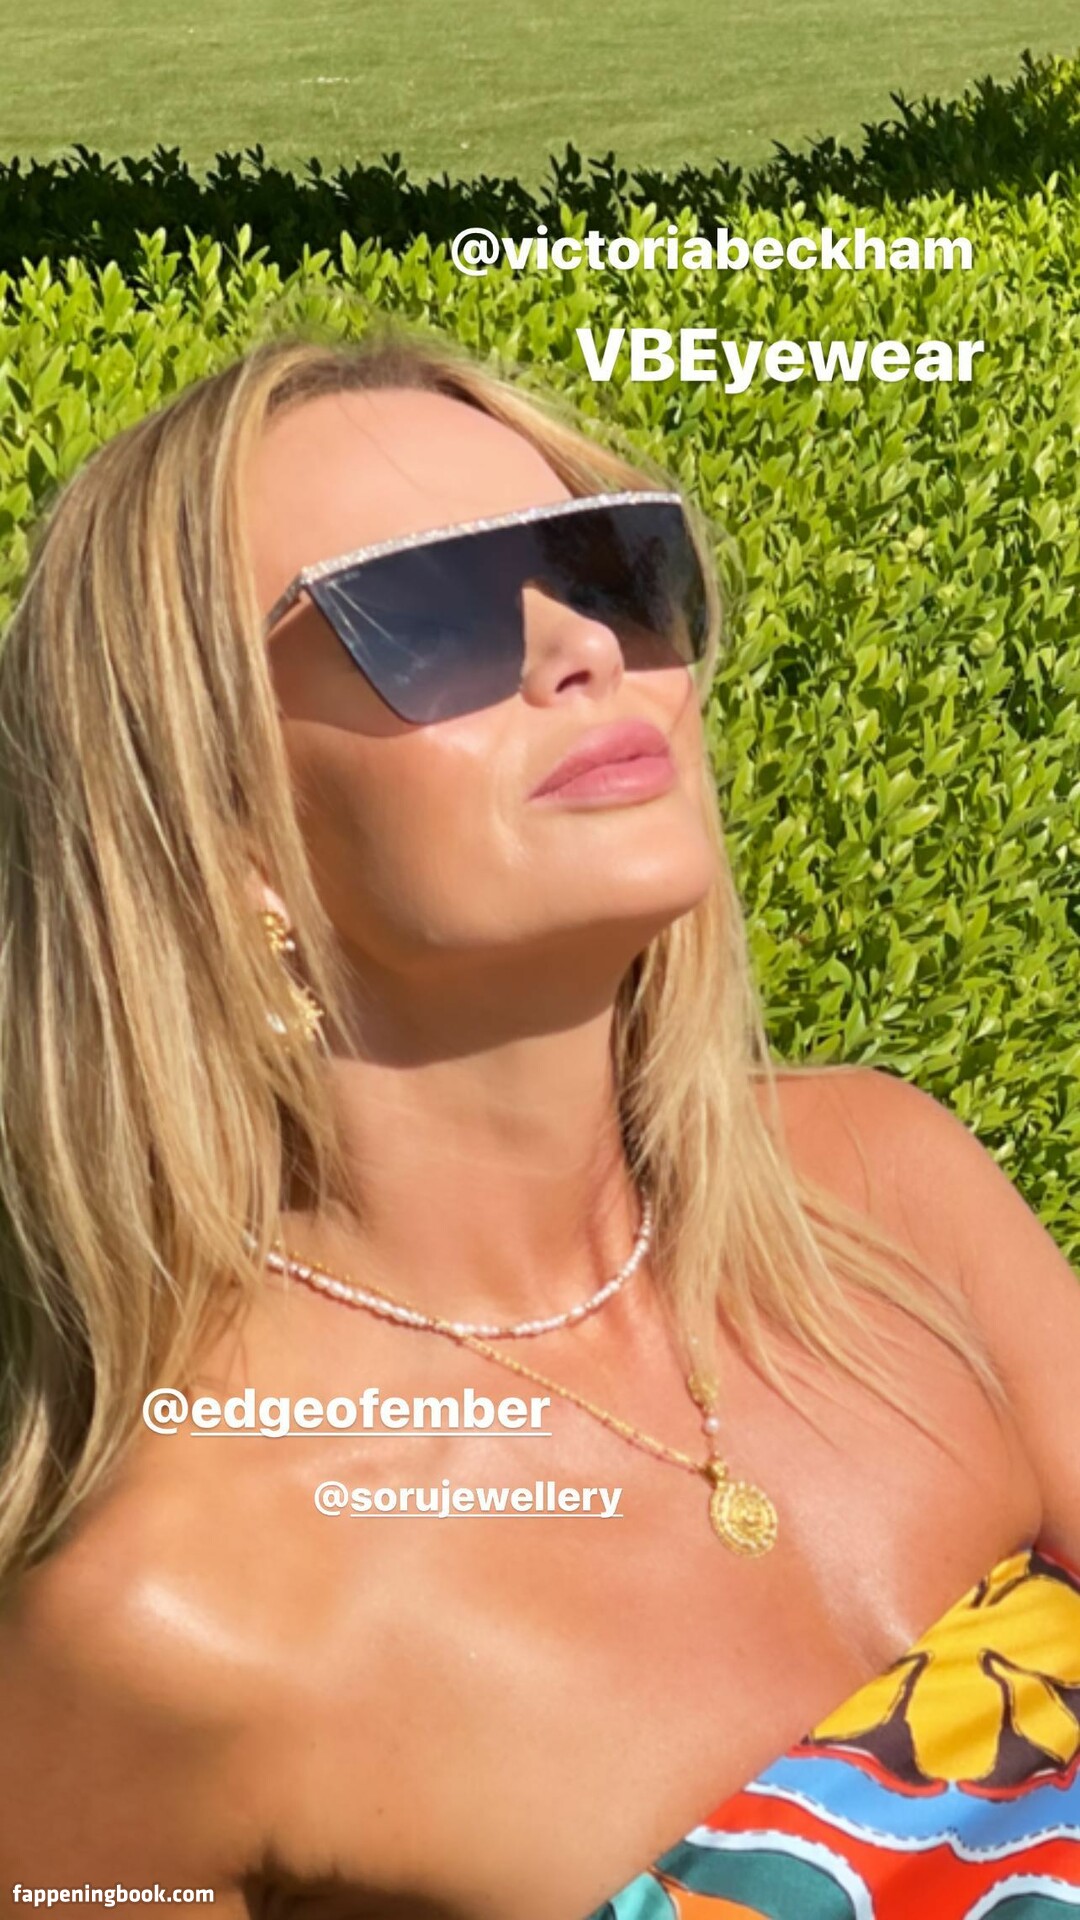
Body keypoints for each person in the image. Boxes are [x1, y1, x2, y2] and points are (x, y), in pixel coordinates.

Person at [0, 326, 1077, 1920]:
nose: (582, 646)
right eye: (429, 615)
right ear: (217, 834)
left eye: (608, 570)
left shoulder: (885, 1188)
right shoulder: (163, 1628)